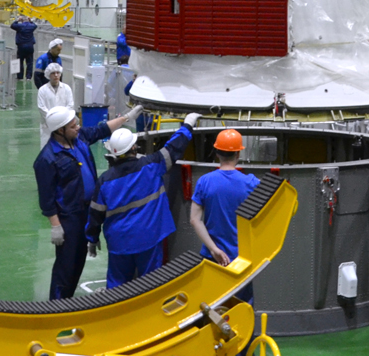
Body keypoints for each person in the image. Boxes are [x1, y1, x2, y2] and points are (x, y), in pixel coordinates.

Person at [34, 103, 142, 299]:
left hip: (88, 211)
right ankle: (57, 306)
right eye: (73, 126)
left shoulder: (79, 138)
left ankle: (65, 301)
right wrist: (56, 226)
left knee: (79, 261)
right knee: (67, 266)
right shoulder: (47, 159)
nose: (78, 128)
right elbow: (46, 198)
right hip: (70, 218)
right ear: (60, 130)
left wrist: (127, 117)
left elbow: (102, 130)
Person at [86, 113, 199, 287]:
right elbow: (174, 147)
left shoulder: (105, 181)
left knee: (117, 286)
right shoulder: (151, 166)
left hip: (119, 242)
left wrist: (92, 238)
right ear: (133, 148)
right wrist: (187, 125)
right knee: (150, 284)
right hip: (149, 238)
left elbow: (95, 214)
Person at [189, 128, 262, 305]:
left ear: (217, 153)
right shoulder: (251, 183)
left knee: (212, 305)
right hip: (241, 258)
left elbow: (194, 220)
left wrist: (214, 249)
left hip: (211, 258)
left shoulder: (204, 181)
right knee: (241, 306)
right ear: (238, 154)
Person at [36, 63, 74, 143]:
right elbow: (41, 107)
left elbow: (70, 105)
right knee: (47, 147)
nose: (56, 75)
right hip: (47, 126)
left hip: (64, 124)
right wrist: (53, 119)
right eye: (53, 73)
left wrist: (61, 119)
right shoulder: (42, 90)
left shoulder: (67, 88)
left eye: (58, 73)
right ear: (48, 75)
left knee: (63, 146)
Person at [11, 15, 38, 79]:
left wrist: (17, 20)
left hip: (21, 46)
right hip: (30, 46)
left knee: (20, 61)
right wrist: (30, 20)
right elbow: (35, 25)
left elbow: (12, 25)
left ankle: (20, 76)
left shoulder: (19, 26)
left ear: (21, 20)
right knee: (29, 62)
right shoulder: (31, 26)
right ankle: (28, 77)